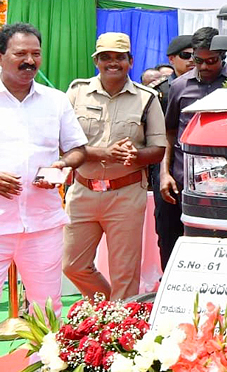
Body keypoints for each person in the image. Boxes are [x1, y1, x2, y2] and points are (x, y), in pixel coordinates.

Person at [62, 32, 166, 301]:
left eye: (119, 57)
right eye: (105, 57)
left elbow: (158, 149)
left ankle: (119, 329)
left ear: (130, 61)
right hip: (82, 191)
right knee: (73, 266)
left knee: (125, 273)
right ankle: (112, 309)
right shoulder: (77, 92)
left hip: (126, 194)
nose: (112, 63)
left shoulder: (148, 98)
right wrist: (102, 153)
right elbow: (62, 144)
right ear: (96, 60)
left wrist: (136, 156)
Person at [0, 23, 87, 315]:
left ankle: (46, 362)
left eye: (36, 54)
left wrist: (61, 165)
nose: (30, 61)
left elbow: (78, 150)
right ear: (1, 56)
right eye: (20, 53)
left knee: (48, 309)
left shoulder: (56, 100)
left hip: (43, 224)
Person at [160, 27, 227, 268]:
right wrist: (165, 173)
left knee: (222, 244)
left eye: (211, 61)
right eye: (198, 61)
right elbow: (169, 131)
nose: (203, 67)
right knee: (187, 242)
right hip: (186, 181)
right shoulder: (180, 87)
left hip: (226, 184)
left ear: (222, 56)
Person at [150, 35, 195, 269]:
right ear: (172, 59)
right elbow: (160, 134)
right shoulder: (161, 92)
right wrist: (163, 173)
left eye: (195, 55)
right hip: (166, 166)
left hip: (197, 170)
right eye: (186, 56)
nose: (192, 60)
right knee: (168, 228)